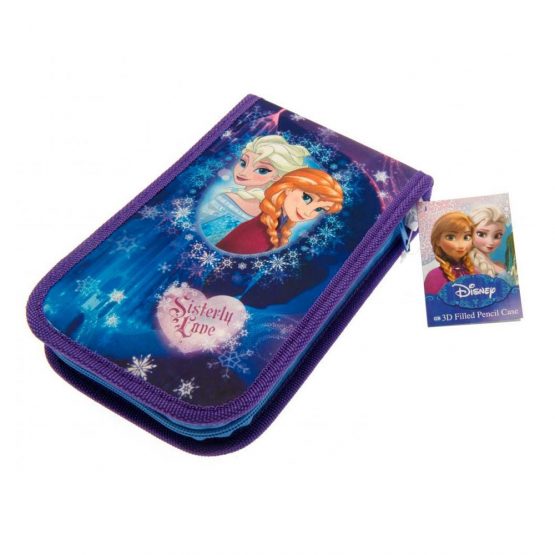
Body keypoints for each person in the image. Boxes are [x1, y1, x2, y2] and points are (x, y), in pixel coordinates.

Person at [200, 135, 309, 244]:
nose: (244, 173)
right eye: (243, 163)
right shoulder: (274, 211)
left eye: (262, 170)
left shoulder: (228, 198)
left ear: (277, 176)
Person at [216, 168, 343, 255]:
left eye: (319, 209)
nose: (308, 212)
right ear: (289, 188)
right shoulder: (259, 232)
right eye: (306, 198)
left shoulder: (279, 224)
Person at [424, 211, 476, 295]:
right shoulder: (434, 277)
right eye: (451, 237)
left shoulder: (476, 272)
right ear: (437, 240)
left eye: (466, 237)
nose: (461, 245)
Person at [469, 205, 510, 281]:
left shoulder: (501, 265)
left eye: (497, 236)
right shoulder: (466, 268)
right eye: (481, 234)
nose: (490, 242)